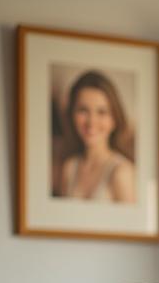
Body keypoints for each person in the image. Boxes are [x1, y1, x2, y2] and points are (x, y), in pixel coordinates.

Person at [57, 70, 135, 203]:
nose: (91, 122)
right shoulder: (69, 168)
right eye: (83, 110)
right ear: (72, 115)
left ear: (114, 119)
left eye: (102, 112)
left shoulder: (122, 172)